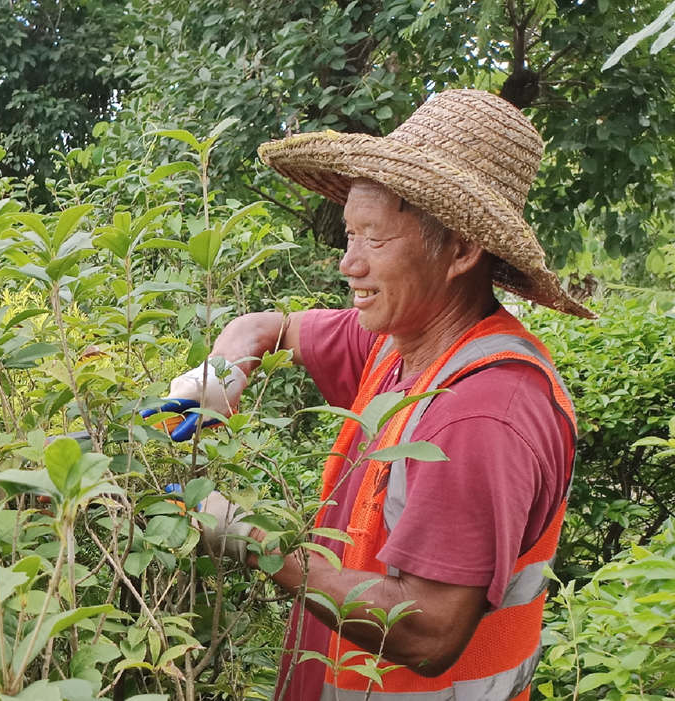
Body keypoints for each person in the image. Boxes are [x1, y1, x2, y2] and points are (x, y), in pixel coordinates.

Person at [165, 89, 595, 700]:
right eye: (349, 236)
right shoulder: (399, 341)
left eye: (375, 239)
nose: (349, 264)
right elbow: (264, 326)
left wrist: (249, 537)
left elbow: (427, 634)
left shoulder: (482, 413)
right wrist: (218, 375)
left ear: (462, 251)